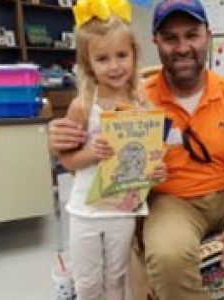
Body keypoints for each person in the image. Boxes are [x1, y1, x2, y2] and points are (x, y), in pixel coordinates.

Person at [49, 1, 224, 299]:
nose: (182, 47)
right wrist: (62, 138)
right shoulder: (135, 98)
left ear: (207, 36)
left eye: (191, 35)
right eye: (171, 37)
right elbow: (87, 139)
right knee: (169, 256)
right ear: (155, 42)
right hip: (171, 200)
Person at [56, 1, 166, 299]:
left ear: (134, 55)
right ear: (88, 62)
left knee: (117, 280)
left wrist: (156, 171)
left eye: (122, 55)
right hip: (85, 211)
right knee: (88, 283)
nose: (115, 66)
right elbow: (67, 161)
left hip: (123, 210)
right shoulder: (82, 106)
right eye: (103, 58)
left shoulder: (142, 107)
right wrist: (91, 154)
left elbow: (147, 162)